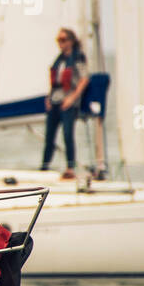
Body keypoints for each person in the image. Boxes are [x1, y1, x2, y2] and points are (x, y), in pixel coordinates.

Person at [42, 27, 90, 179]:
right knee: (49, 136)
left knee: (68, 134)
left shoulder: (77, 58)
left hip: (68, 102)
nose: (60, 43)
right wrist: (49, 97)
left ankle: (70, 167)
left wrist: (72, 98)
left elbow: (84, 79)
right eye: (58, 40)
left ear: (71, 41)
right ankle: (44, 166)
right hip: (55, 100)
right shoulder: (60, 59)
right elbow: (55, 81)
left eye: (63, 40)